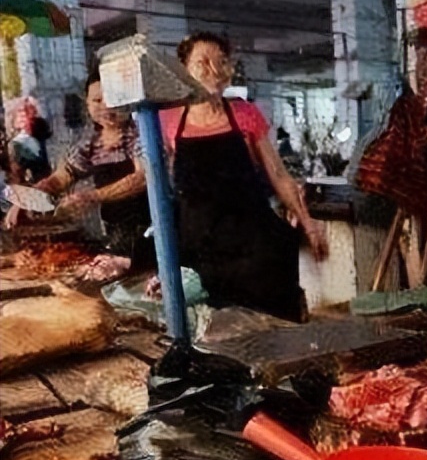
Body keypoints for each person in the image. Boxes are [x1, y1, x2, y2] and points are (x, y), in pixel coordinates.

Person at [160, 31, 328, 321]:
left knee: (272, 329)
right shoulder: (168, 120)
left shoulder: (245, 113)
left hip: (254, 248)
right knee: (213, 331)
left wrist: (308, 223)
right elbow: (157, 181)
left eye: (222, 61)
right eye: (203, 62)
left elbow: (279, 175)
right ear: (184, 70)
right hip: (201, 251)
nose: (215, 70)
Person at [4, 71, 153, 267]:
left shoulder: (141, 133)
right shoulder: (91, 142)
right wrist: (25, 200)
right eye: (97, 100)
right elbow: (59, 179)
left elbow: (143, 177)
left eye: (112, 99)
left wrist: (91, 197)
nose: (106, 106)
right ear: (87, 104)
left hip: (152, 230)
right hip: (117, 234)